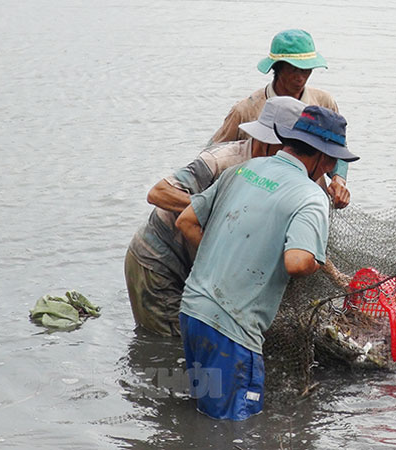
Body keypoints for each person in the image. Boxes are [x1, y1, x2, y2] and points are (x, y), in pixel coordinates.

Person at [175, 106, 359, 420]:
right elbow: (297, 263)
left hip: (192, 313)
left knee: (204, 409)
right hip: (232, 331)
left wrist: (229, 254)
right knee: (234, 427)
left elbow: (186, 221)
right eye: (331, 160)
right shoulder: (309, 196)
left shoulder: (244, 170)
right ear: (323, 157)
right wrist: (316, 261)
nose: (330, 167)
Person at [125, 96, 322, 337]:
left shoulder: (284, 175)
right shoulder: (223, 160)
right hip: (159, 259)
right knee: (173, 345)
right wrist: (219, 209)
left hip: (197, 266)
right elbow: (158, 192)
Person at [208, 28, 350, 207]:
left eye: (306, 69)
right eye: (293, 69)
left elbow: (338, 149)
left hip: (307, 196)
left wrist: (338, 180)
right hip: (255, 198)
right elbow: (214, 154)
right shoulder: (246, 110)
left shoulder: (323, 103)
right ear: (277, 67)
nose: (300, 77)